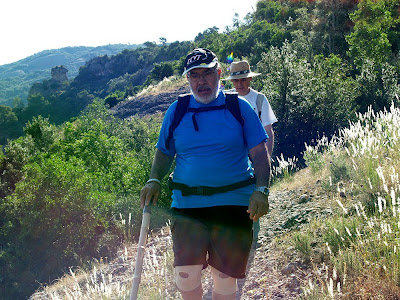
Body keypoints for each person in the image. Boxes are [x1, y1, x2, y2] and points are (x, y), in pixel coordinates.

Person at [140, 48, 271, 300]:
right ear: (188, 80)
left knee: (224, 280)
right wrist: (154, 179)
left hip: (234, 204)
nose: (201, 81)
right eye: (194, 76)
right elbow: (164, 152)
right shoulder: (176, 111)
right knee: (186, 277)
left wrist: (261, 190)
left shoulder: (239, 108)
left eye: (207, 74)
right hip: (188, 205)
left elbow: (259, 153)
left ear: (219, 74)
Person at [223, 60, 278, 242]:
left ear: (250, 79)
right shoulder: (225, 100)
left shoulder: (260, 99)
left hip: (256, 154)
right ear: (232, 82)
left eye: (244, 79)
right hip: (233, 157)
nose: (240, 84)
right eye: (236, 80)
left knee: (255, 193)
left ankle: (252, 235)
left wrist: (265, 159)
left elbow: (268, 131)